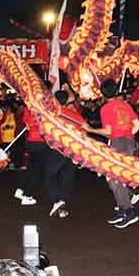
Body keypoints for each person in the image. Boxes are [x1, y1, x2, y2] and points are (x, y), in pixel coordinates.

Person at [83, 79, 139, 229]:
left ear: (103, 93)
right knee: (113, 179)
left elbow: (108, 131)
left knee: (115, 178)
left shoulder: (106, 108)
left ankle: (128, 211)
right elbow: (138, 125)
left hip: (118, 143)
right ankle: (123, 208)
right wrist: (127, 135)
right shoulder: (126, 105)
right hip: (128, 142)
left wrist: (90, 129)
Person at [45, 90, 81, 219]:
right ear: (66, 100)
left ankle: (56, 201)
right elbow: (82, 133)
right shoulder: (74, 115)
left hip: (58, 148)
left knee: (50, 175)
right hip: (72, 150)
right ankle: (62, 203)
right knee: (67, 178)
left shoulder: (52, 114)